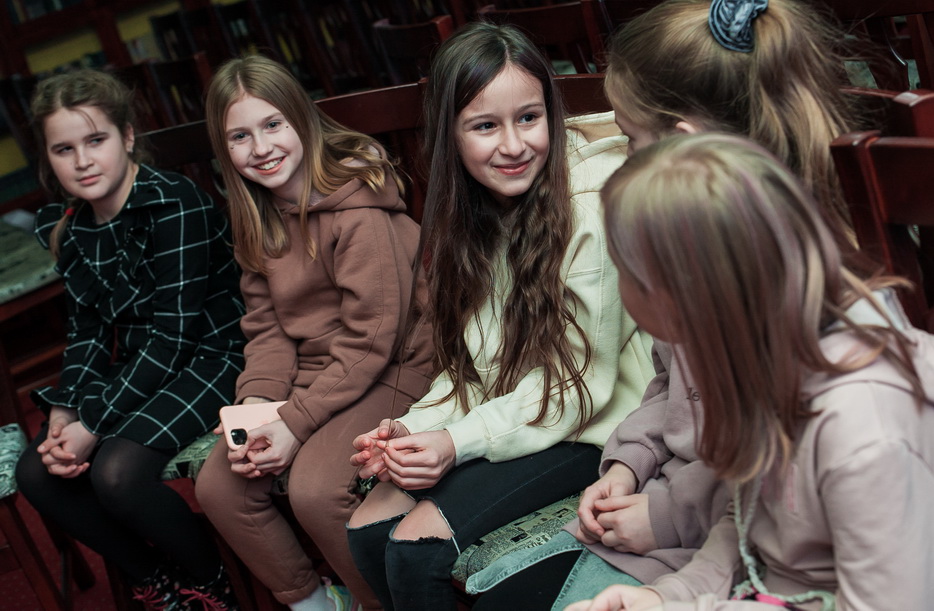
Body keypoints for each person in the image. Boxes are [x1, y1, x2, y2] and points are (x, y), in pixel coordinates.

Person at [470, 1, 872, 608]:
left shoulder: (773, 296)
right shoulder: (695, 245)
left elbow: (759, 477)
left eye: (630, 138)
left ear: (682, 146)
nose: (620, 154)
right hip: (686, 516)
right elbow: (670, 383)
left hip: (723, 536)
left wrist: (668, 516)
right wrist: (627, 464)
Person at [345, 22, 656, 611]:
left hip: (596, 420)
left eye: (529, 118)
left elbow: (578, 385)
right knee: (367, 526)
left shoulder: (588, 209)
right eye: (486, 126)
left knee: (416, 548)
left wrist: (455, 442)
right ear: (450, 135)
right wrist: (413, 429)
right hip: (526, 409)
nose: (513, 146)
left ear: (551, 114)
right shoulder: (476, 213)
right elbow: (479, 363)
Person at [570, 132, 934, 610]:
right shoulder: (759, 356)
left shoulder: (863, 429)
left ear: (673, 298)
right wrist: (664, 597)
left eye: (622, 270)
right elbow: (744, 525)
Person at [192, 55, 435, 611]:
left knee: (316, 489)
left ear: (302, 119)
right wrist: (257, 407)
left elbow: (373, 338)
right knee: (220, 487)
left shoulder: (358, 210)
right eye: (240, 136)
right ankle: (315, 603)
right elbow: (268, 330)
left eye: (273, 124)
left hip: (397, 365)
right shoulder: (258, 216)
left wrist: (294, 423)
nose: (261, 147)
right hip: (323, 371)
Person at [14, 69, 246, 610]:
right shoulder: (73, 226)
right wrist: (66, 411)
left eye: (96, 140)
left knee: (117, 473)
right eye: (64, 149)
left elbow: (174, 337)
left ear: (128, 136)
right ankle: (158, 579)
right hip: (147, 366)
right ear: (49, 158)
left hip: (213, 357)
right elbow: (89, 331)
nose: (83, 161)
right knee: (37, 473)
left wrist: (94, 422)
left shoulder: (174, 203)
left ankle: (214, 581)